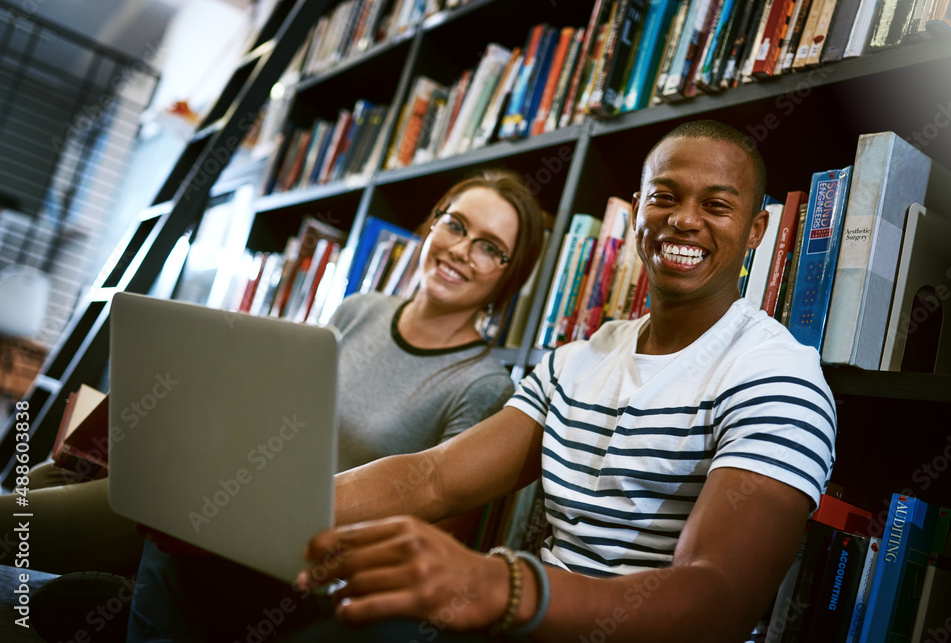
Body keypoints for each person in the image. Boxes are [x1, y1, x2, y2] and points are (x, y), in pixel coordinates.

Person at [128, 120, 837, 643]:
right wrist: (255, 503)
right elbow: (435, 477)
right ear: (640, 213)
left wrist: (501, 583)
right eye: (664, 197)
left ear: (753, 233)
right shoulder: (576, 360)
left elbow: (717, 600)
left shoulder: (776, 375)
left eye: (716, 204)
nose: (684, 219)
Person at [0, 168, 545, 632]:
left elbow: (432, 536)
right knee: (62, 475)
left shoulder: (483, 385)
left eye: (490, 248)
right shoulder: (362, 309)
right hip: (243, 489)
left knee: (62, 516)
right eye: (455, 224)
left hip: (303, 552)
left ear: (508, 278)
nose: (460, 250)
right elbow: (288, 408)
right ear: (432, 225)